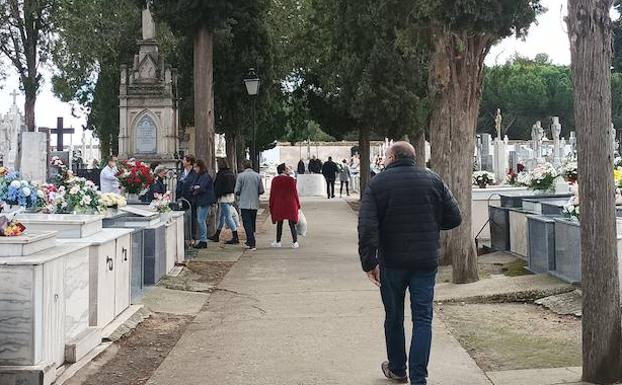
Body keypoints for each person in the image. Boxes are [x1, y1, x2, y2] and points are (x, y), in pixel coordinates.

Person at [358, 141, 462, 385]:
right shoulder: (433, 179)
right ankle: (419, 378)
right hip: (425, 261)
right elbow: (455, 217)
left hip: (392, 261)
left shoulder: (378, 184)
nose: (383, 160)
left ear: (392, 157)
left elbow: (367, 227)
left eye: (385, 156)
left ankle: (397, 369)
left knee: (394, 316)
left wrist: (368, 262)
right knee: (423, 319)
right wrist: (431, 226)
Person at [269, 163, 301, 249]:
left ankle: (278, 241)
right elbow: (295, 193)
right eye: (286, 169)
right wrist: (298, 204)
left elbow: (272, 194)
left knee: (279, 223)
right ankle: (295, 242)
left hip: (279, 204)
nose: (288, 170)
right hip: (291, 204)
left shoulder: (275, 180)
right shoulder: (291, 180)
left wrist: (271, 205)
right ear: (283, 170)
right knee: (292, 224)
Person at [235, 160, 264, 251]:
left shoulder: (240, 176)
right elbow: (261, 190)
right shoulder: (257, 176)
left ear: (243, 166)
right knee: (252, 222)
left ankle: (252, 242)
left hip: (244, 203)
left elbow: (237, 190)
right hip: (254, 202)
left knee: (247, 223)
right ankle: (250, 240)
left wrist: (238, 196)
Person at [212, 158, 239, 245]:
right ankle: (217, 234)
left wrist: (215, 197)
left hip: (223, 198)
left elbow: (217, 187)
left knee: (227, 216)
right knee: (222, 217)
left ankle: (235, 236)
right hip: (230, 196)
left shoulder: (221, 174)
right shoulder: (231, 174)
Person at [191, 159, 216, 249]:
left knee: (201, 220)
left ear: (200, 167)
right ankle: (203, 239)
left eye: (196, 167)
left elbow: (201, 187)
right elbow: (194, 186)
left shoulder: (205, 176)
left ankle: (203, 240)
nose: (194, 169)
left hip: (204, 200)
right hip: (202, 200)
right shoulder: (200, 176)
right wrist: (195, 187)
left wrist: (196, 188)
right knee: (201, 219)